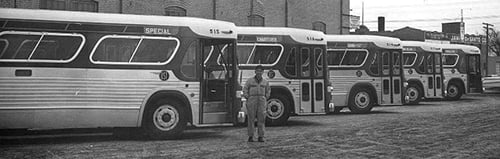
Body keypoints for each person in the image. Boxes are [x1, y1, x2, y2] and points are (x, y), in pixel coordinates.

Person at [243, 65, 270, 142]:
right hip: (252, 100)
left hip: (261, 101)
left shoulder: (265, 82)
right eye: (257, 70)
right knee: (251, 119)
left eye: (260, 71)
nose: (259, 72)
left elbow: (268, 91)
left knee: (261, 119)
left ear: (262, 72)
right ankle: (250, 136)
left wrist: (265, 97)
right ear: (255, 71)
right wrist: (247, 97)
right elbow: (245, 89)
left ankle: (261, 136)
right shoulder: (249, 81)